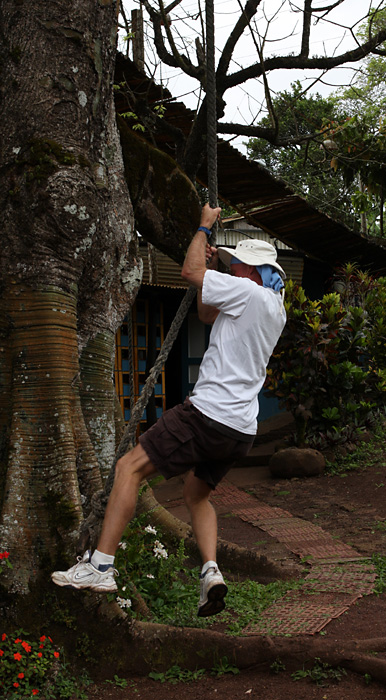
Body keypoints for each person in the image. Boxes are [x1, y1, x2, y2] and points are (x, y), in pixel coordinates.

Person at [51, 204, 287, 617]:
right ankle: (211, 571)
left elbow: (188, 274)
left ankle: (100, 567)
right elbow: (205, 311)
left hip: (208, 414)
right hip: (239, 429)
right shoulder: (272, 308)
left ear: (251, 271)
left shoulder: (246, 292)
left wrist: (202, 229)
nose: (231, 271)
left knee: (129, 467)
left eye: (236, 266)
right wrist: (210, 274)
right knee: (196, 494)